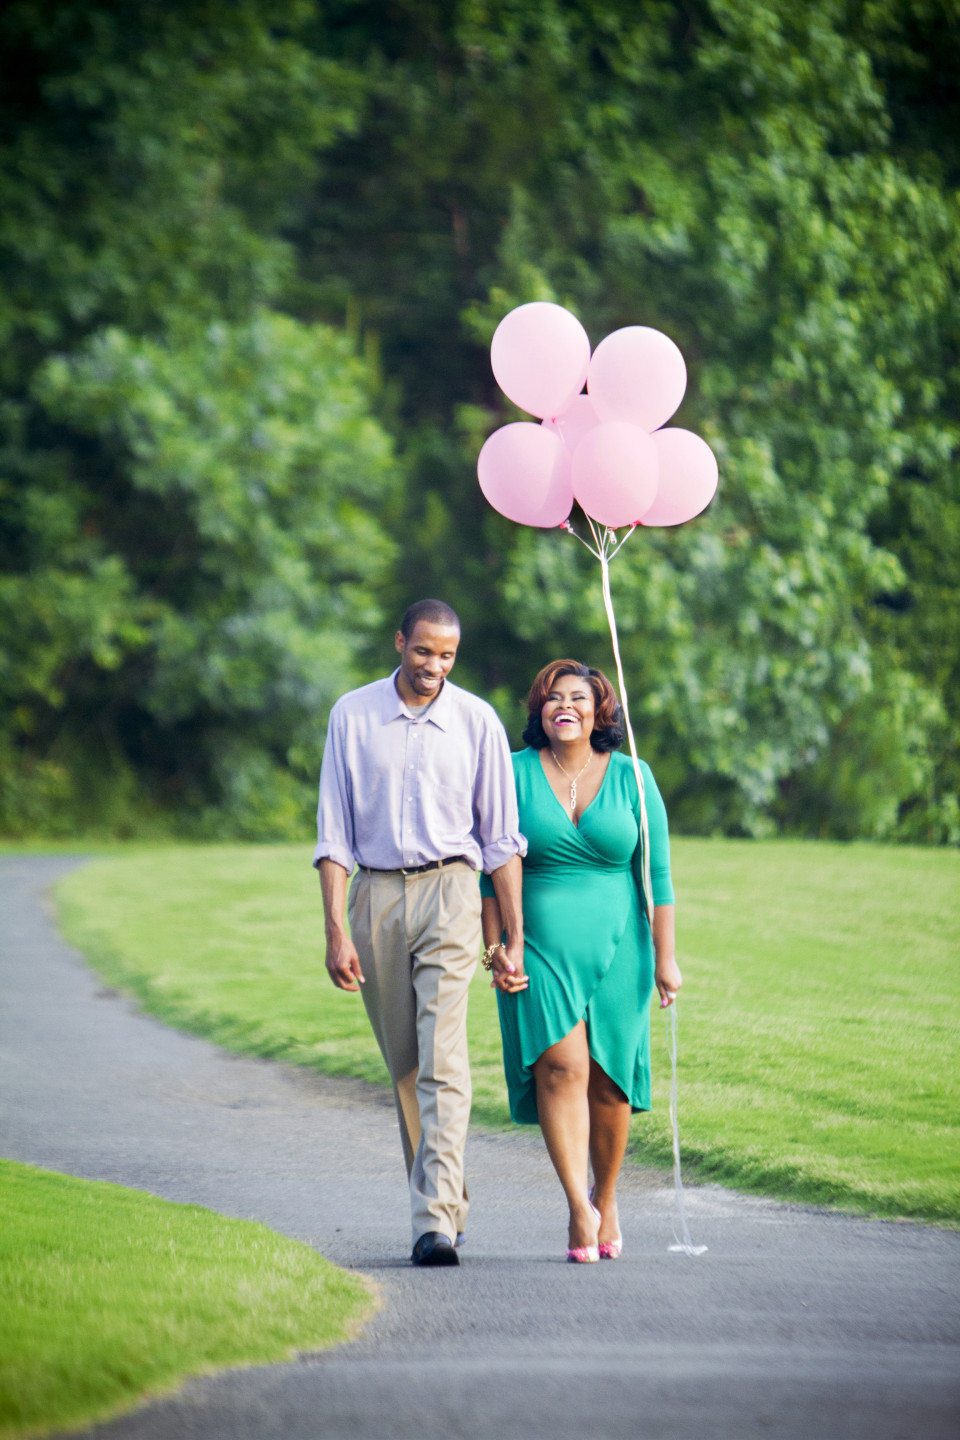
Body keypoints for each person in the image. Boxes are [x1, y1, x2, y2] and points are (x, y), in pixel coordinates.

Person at [314, 598, 525, 1267]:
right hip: (374, 895)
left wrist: (512, 934)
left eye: (447, 655)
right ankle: (448, 1197)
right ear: (399, 641)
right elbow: (334, 835)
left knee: (442, 1059)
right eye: (423, 651)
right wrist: (334, 932)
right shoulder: (352, 714)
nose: (434, 666)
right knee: (404, 1064)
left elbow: (500, 840)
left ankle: (431, 1220)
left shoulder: (476, 722)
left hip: (452, 891)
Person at [480, 659, 682, 1262]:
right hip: (536, 941)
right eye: (552, 698)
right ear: (539, 711)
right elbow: (490, 872)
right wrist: (496, 947)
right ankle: (576, 1205)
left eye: (578, 697)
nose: (564, 706)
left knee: (611, 1083)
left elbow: (660, 877)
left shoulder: (634, 778)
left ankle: (609, 1196)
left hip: (624, 945)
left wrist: (667, 959)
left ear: (600, 711)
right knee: (562, 1067)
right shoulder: (512, 775)